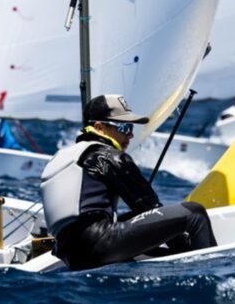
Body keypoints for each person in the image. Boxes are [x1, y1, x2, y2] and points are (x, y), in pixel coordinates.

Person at [40, 94, 217, 270]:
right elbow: (148, 206)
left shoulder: (62, 157)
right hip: (98, 245)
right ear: (99, 127)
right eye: (124, 127)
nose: (131, 135)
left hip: (68, 254)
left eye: (131, 127)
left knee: (134, 220)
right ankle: (208, 269)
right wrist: (185, 248)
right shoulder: (109, 155)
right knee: (194, 213)